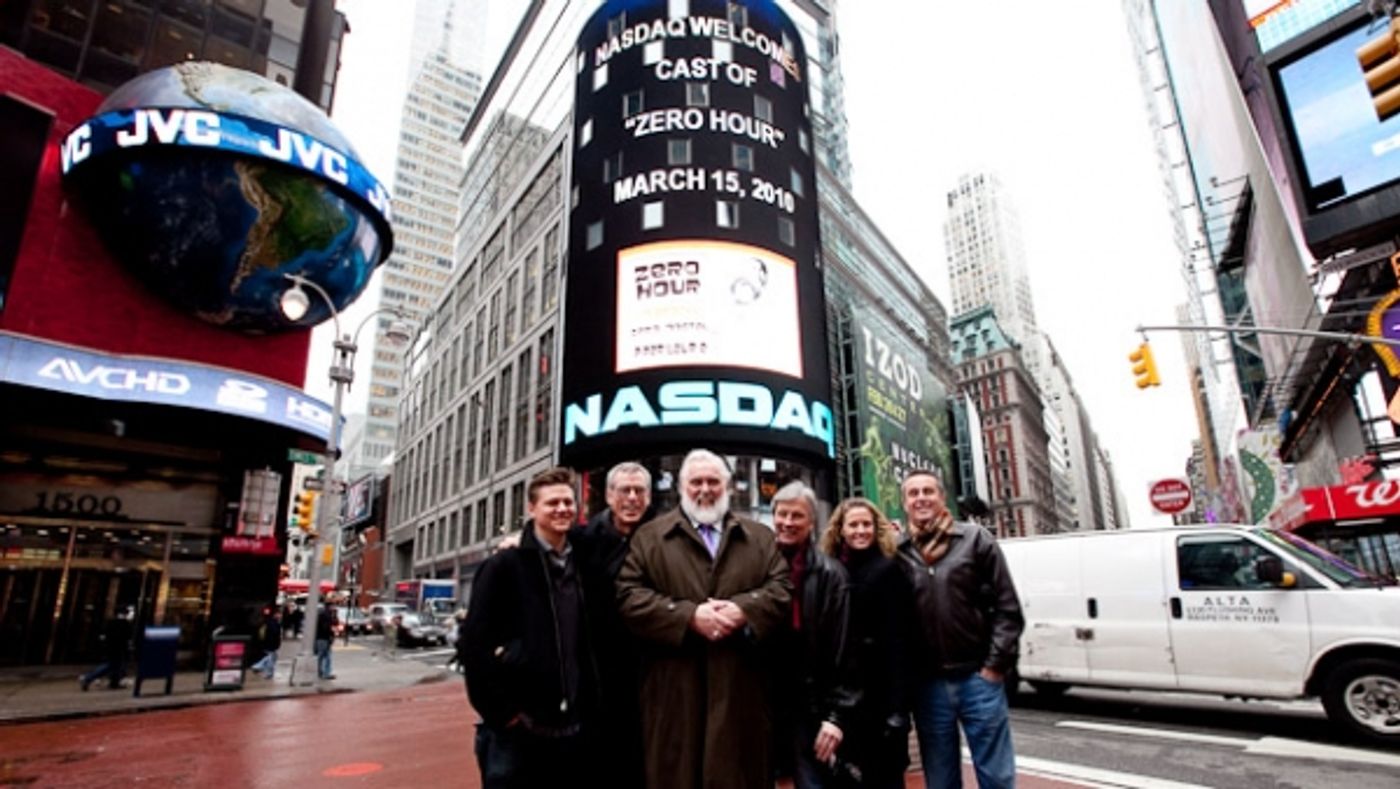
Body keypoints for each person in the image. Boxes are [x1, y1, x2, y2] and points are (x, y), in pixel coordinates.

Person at [616, 449, 792, 789]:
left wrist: (744, 610)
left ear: (728, 487)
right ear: (682, 487)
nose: (705, 489)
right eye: (696, 482)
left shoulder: (759, 537)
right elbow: (629, 595)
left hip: (741, 689)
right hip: (673, 692)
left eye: (713, 481)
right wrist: (688, 617)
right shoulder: (649, 537)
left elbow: (781, 588)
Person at [462, 467, 606, 787]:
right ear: (531, 508)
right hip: (518, 733)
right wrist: (503, 714)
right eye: (552, 503)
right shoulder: (503, 566)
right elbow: (473, 646)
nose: (562, 509)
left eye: (568, 502)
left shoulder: (584, 563)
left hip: (573, 729)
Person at [894, 471, 1024, 789]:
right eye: (913, 493)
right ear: (905, 503)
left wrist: (994, 667)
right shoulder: (898, 551)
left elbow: (1008, 609)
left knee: (996, 778)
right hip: (928, 686)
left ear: (942, 498)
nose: (921, 498)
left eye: (928, 491)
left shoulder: (976, 539)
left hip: (977, 679)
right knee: (941, 780)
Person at [768, 481, 860, 789]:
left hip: (811, 709)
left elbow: (845, 651)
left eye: (797, 516)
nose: (788, 522)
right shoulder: (758, 569)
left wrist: (836, 717)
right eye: (782, 514)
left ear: (811, 523)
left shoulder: (831, 575)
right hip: (764, 704)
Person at [819, 497, 916, 789]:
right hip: (845, 700)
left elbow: (902, 642)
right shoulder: (832, 570)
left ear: (876, 528)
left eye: (866, 524)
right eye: (853, 525)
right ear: (841, 530)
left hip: (881, 700)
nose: (860, 531)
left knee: (884, 778)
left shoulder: (889, 569)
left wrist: (898, 710)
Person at [80, 605, 135, 691]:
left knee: (116, 665)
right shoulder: (125, 624)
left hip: (110, 647)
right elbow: (127, 638)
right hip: (119, 648)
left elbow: (105, 634)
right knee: (112, 665)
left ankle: (114, 682)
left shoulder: (111, 622)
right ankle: (88, 678)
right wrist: (129, 647)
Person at [251, 606, 282, 679]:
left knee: (271, 657)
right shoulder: (273, 623)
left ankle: (262, 669)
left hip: (268, 644)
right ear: (275, 614)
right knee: (271, 658)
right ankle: (261, 668)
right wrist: (275, 644)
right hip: (270, 644)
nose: (280, 615)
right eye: (279, 614)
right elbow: (274, 634)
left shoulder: (269, 622)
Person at [314, 603, 337, 680]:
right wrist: (331, 634)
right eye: (333, 606)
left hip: (320, 638)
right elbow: (327, 627)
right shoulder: (326, 615)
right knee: (326, 656)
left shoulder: (322, 614)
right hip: (324, 638)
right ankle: (325, 673)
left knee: (321, 656)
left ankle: (320, 672)